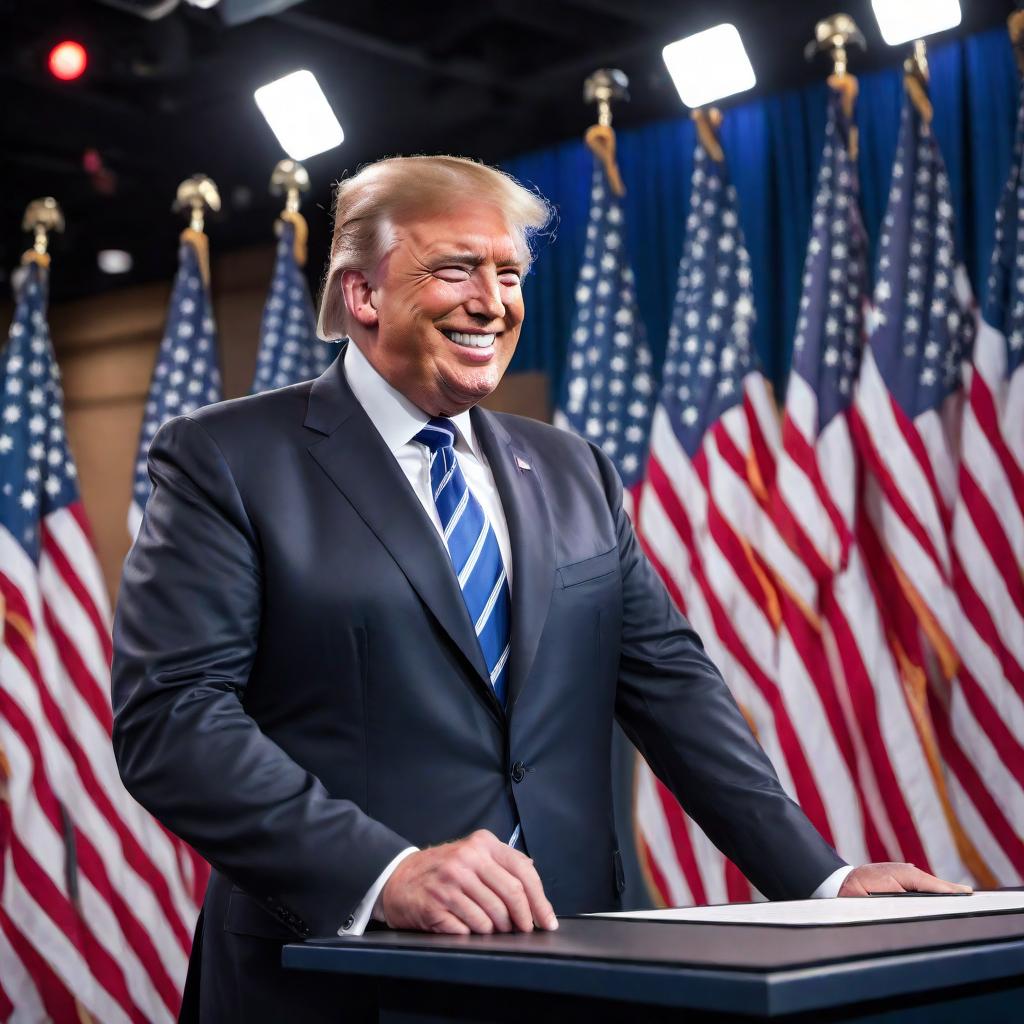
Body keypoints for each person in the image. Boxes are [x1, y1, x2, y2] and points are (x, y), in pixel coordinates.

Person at [111, 155, 969, 1023]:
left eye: (510, 273)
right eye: (455, 268)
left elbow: (671, 685)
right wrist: (385, 871)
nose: (493, 300)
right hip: (333, 981)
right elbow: (173, 719)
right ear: (362, 295)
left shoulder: (573, 470)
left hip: (572, 964)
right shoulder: (227, 458)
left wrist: (818, 878)